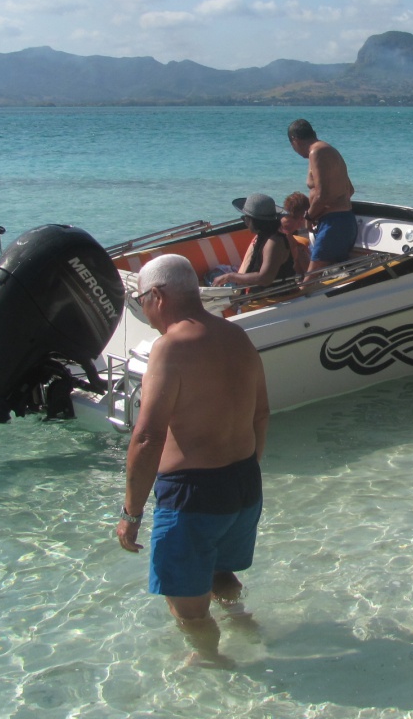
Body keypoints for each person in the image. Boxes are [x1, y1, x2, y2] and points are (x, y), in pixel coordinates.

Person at [115, 254, 269, 665]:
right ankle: (244, 623)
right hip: (244, 487)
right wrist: (245, 471)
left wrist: (130, 515)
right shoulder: (237, 336)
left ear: (159, 296)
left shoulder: (170, 348)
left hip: (193, 496)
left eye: (142, 297)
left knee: (187, 610)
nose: (143, 307)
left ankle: (211, 665)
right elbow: (262, 414)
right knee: (220, 573)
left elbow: (147, 437)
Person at [286, 118, 357, 274]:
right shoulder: (328, 150)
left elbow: (322, 194)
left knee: (312, 276)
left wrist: (309, 216)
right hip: (342, 221)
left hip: (333, 224)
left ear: (295, 140)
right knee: (329, 274)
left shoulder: (316, 151)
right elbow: (349, 190)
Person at [211, 193, 296, 291]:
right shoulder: (264, 238)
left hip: (276, 298)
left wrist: (230, 276)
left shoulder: (274, 242)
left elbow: (265, 278)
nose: (245, 222)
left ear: (256, 221)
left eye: (245, 218)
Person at [280, 191, 312, 278]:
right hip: (281, 277)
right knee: (300, 251)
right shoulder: (284, 234)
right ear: (303, 217)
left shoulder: (282, 225)